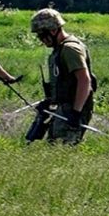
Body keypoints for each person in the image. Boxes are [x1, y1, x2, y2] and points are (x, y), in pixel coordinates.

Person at [30, 8, 96, 145]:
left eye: (42, 35)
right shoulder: (59, 50)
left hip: (72, 109)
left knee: (63, 148)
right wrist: (49, 101)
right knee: (54, 147)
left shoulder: (70, 49)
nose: (41, 40)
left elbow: (84, 80)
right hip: (64, 108)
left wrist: (76, 113)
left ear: (53, 30)